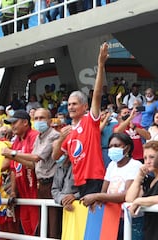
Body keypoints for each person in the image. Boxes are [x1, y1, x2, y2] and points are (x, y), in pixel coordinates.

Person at [52, 43, 108, 198]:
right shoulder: (68, 130)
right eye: (69, 104)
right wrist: (61, 138)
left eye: (74, 104)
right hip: (78, 181)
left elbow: (96, 94)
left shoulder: (90, 120)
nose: (70, 107)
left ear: (85, 106)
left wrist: (100, 65)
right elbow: (55, 157)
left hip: (94, 177)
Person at [80, 133, 142, 240]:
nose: (112, 149)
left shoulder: (135, 165)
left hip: (128, 219)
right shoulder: (111, 165)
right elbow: (104, 191)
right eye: (110, 146)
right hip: (111, 217)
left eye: (116, 146)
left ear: (127, 148)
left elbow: (126, 195)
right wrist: (96, 199)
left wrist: (96, 196)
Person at [126, 141, 158, 240]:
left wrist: (140, 201)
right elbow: (129, 199)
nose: (147, 161)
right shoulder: (149, 180)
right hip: (150, 232)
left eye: (152, 157)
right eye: (145, 158)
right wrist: (139, 177)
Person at [1, 110, 39, 236]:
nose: (12, 126)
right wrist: (13, 191)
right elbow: (13, 169)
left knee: (37, 230)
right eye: (11, 124)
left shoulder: (35, 136)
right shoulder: (16, 141)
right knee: (26, 231)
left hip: (36, 192)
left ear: (25, 122)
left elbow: (35, 162)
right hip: (22, 194)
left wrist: (13, 155)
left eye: (15, 122)